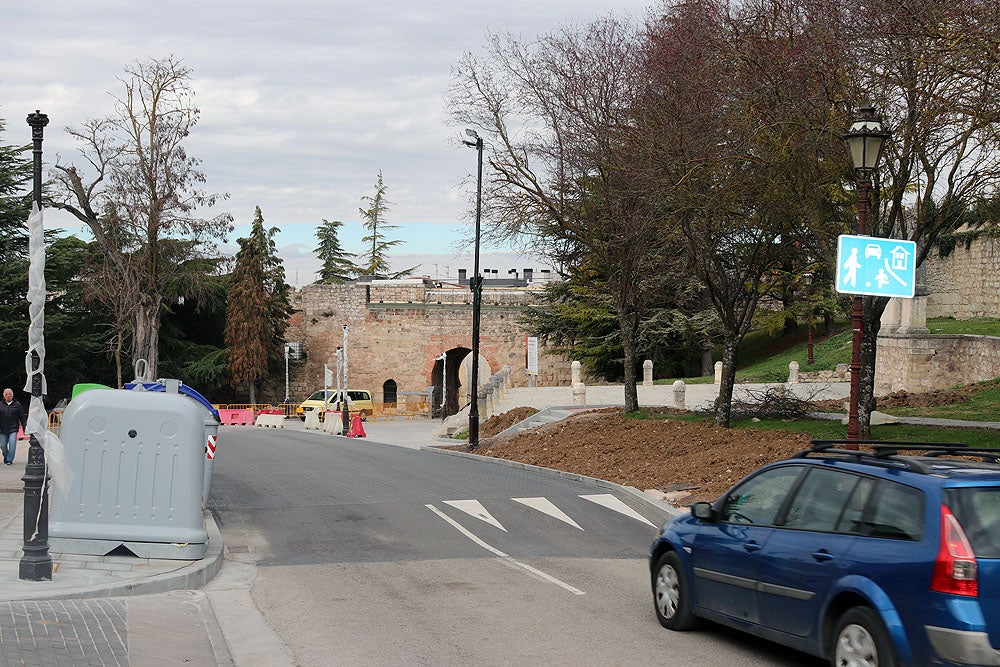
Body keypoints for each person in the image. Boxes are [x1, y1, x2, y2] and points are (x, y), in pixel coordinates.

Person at [0, 387, 27, 465]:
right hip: (2, 429)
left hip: (13, 428)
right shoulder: (0, 405)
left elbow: (22, 417)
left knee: (12, 444)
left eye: (9, 394)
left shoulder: (17, 405)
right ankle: (6, 456)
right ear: (4, 396)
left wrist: (25, 427)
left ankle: (9, 459)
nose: (8, 396)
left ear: (12, 395)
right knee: (3, 446)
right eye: (6, 394)